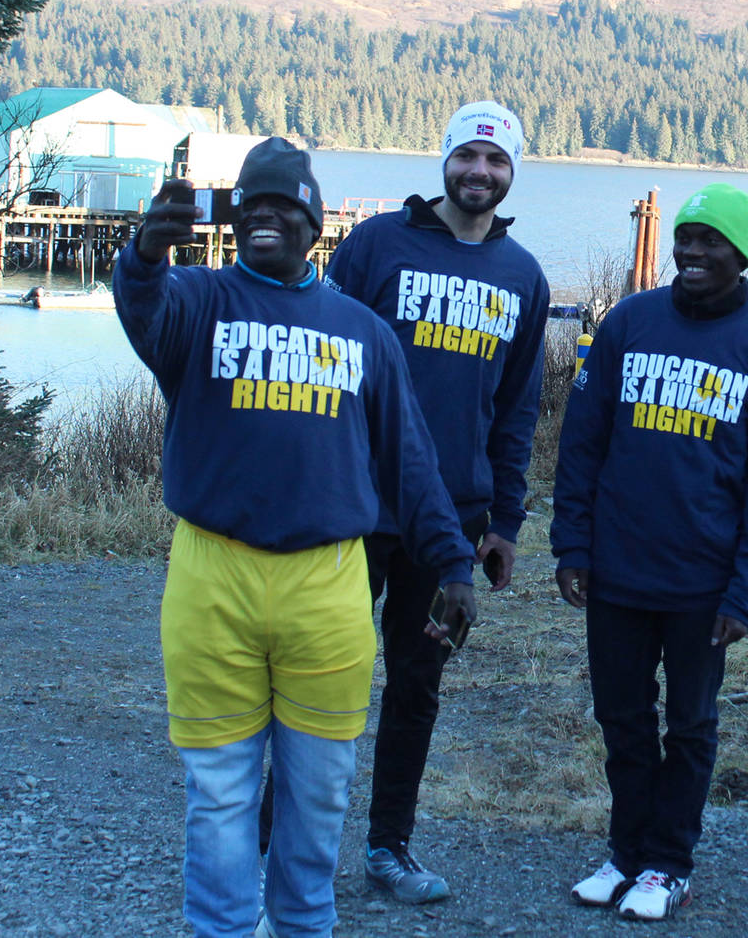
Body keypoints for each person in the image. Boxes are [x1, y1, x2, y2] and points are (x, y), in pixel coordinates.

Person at [114, 139, 477, 938]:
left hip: (329, 585)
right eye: (250, 204)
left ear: (315, 220)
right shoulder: (196, 302)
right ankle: (221, 929)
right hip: (213, 578)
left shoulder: (364, 333)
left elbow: (410, 462)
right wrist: (143, 254)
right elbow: (143, 313)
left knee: (317, 800)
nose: (264, 215)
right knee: (219, 798)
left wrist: (453, 561)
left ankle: (303, 927)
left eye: (283, 204)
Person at [551, 182, 748, 922]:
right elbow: (583, 442)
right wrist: (572, 542)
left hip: (704, 584)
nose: (692, 252)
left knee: (689, 726)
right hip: (618, 570)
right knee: (622, 719)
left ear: (741, 253)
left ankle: (669, 864)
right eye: (686, 238)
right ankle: (626, 853)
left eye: (711, 241)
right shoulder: (631, 323)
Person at [322, 100, 550, 903]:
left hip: (451, 525)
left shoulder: (523, 276)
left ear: (511, 172)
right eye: (467, 157)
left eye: (495, 162)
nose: (478, 173)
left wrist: (507, 523)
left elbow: (516, 411)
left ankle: (390, 848)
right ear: (445, 160)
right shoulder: (375, 245)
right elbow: (321, 360)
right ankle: (283, 838)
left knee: (416, 685)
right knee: (323, 680)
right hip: (353, 507)